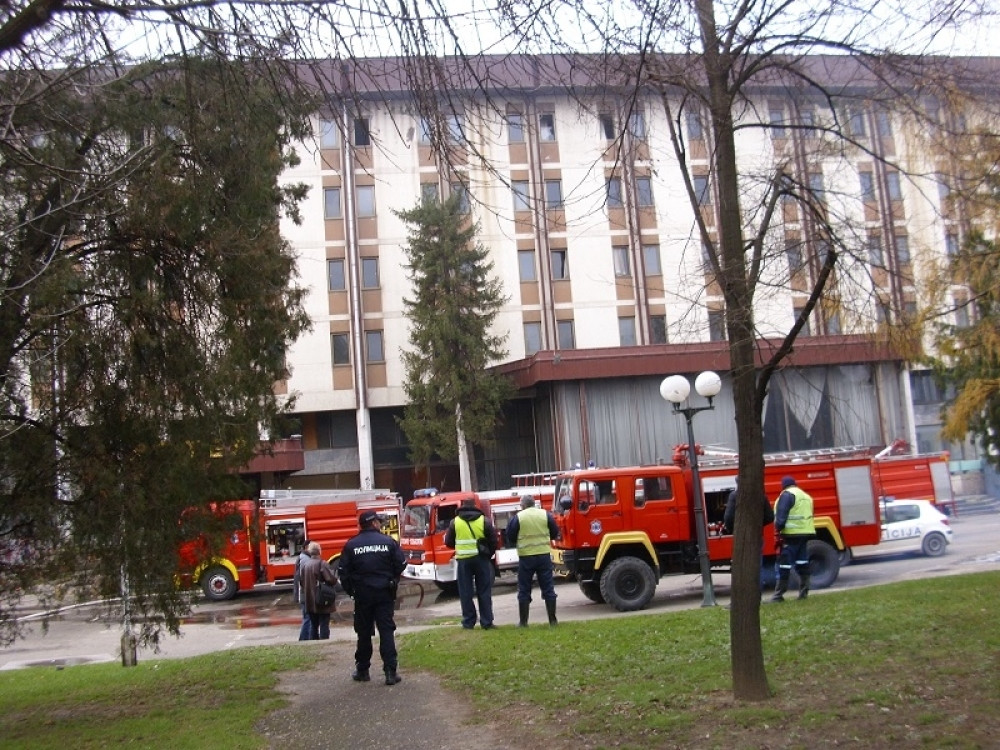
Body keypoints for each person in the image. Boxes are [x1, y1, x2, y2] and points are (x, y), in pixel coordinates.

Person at [338, 510, 407, 685]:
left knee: (363, 633)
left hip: (363, 595)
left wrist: (352, 592)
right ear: (374, 523)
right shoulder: (388, 542)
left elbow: (343, 574)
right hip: (384, 593)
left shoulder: (351, 545)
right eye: (378, 521)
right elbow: (401, 564)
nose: (380, 524)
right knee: (386, 632)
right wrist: (392, 580)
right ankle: (390, 672)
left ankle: (363, 670)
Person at [505, 494, 560, 627]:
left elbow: (510, 536)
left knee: (524, 589)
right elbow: (554, 532)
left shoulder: (519, 517)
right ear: (534, 503)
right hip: (543, 555)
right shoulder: (545, 515)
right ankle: (552, 620)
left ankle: (523, 622)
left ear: (522, 505)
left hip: (526, 557)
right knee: (548, 587)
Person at [444, 497, 498, 630]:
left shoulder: (455, 522)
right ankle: (487, 622)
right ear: (475, 506)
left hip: (463, 561)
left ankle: (468, 622)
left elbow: (448, 542)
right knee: (484, 591)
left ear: (462, 506)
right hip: (481, 560)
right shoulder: (484, 521)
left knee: (465, 592)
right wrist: (488, 554)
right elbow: (493, 540)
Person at [722, 482, 776, 592]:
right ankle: (758, 592)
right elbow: (770, 517)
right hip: (757, 536)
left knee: (743, 565)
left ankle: (746, 593)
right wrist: (758, 525)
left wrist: (733, 529)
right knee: (758, 565)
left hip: (742, 537)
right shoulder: (761, 495)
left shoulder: (734, 495)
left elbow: (728, 517)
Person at [771, 475, 815, 602]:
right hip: (805, 533)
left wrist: (778, 529)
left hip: (790, 534)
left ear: (783, 485)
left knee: (783, 564)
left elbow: (781, 516)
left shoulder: (786, 495)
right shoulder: (806, 496)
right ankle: (804, 593)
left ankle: (779, 595)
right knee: (802, 562)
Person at [300, 542, 338, 639]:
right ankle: (324, 643)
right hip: (322, 600)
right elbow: (331, 579)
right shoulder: (322, 564)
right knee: (324, 624)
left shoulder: (305, 565)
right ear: (319, 551)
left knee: (314, 626)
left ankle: (314, 642)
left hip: (310, 600)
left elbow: (301, 582)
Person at [292, 539, 313, 641]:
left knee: (307, 617)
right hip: (304, 594)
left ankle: (306, 638)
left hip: (303, 593)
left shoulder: (303, 558)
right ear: (306, 548)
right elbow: (302, 578)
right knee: (307, 617)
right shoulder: (305, 559)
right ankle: (303, 640)